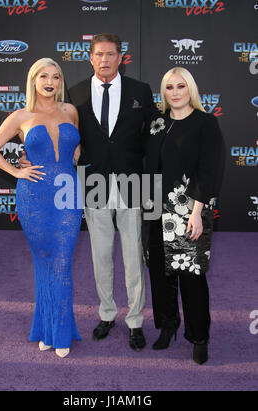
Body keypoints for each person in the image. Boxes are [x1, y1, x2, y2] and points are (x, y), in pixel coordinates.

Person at [21, 33, 158, 351]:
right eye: (99, 54)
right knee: (100, 256)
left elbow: (154, 137)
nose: (105, 60)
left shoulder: (141, 91)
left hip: (132, 183)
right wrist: (30, 154)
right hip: (93, 182)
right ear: (91, 57)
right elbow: (64, 135)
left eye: (111, 54)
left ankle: (135, 320)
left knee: (133, 257)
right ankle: (107, 314)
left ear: (121, 57)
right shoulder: (76, 94)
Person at [0, 58, 82, 358]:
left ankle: (59, 332)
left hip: (67, 196)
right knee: (44, 263)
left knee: (62, 263)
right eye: (44, 76)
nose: (50, 81)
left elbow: (75, 148)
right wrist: (16, 171)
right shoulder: (20, 116)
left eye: (55, 76)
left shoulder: (70, 111)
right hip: (34, 197)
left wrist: (72, 160)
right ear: (34, 80)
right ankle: (47, 327)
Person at [144, 67, 224, 365]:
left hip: (188, 211)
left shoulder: (205, 124)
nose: (175, 92)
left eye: (180, 86)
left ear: (190, 88)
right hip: (154, 210)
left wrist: (198, 212)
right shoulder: (157, 123)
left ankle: (199, 337)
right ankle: (167, 327)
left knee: (192, 278)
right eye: (169, 87)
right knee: (160, 276)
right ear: (163, 93)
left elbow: (209, 169)